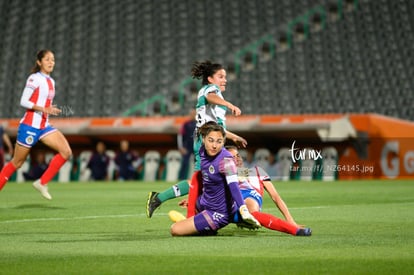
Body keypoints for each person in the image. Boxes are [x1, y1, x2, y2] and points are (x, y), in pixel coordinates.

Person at [147, 60, 247, 218]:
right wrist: (229, 105)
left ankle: (191, 208)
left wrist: (234, 137)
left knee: (205, 179)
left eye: (225, 77)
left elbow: (215, 128)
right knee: (204, 179)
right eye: (220, 76)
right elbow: (211, 96)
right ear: (210, 79)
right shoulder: (210, 90)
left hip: (207, 139)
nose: (224, 80)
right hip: (205, 142)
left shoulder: (211, 97)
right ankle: (190, 212)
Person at [170, 145, 312, 236]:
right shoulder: (224, 173)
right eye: (232, 156)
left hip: (249, 196)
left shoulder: (256, 171)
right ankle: (202, 227)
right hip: (226, 203)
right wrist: (195, 201)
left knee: (251, 212)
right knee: (199, 203)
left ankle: (292, 229)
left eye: (238, 155)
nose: (236, 158)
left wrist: (290, 220)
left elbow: (275, 196)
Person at [0, 49, 72, 199]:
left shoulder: (51, 81)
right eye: (47, 59)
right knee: (17, 162)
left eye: (53, 59)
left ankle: (42, 182)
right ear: (39, 62)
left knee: (66, 152)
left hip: (44, 126)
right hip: (30, 126)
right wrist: (44, 108)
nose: (51, 62)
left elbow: (44, 103)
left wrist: (50, 110)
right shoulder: (34, 78)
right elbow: (24, 101)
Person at [170, 122, 260, 236]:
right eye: (211, 140)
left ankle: (210, 228)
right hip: (205, 202)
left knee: (175, 230)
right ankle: (203, 225)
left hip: (218, 212)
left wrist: (244, 210)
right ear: (204, 139)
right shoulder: (202, 151)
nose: (214, 145)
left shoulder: (226, 161)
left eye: (219, 141)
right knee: (191, 210)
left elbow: (234, 186)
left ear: (223, 142)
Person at [177, 108, 196, 180]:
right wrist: (181, 147)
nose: (193, 115)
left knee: (199, 164)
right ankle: (181, 179)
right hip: (187, 147)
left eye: (194, 114)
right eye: (192, 114)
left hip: (196, 147)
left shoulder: (199, 123)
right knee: (184, 163)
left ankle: (199, 179)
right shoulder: (186, 124)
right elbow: (180, 136)